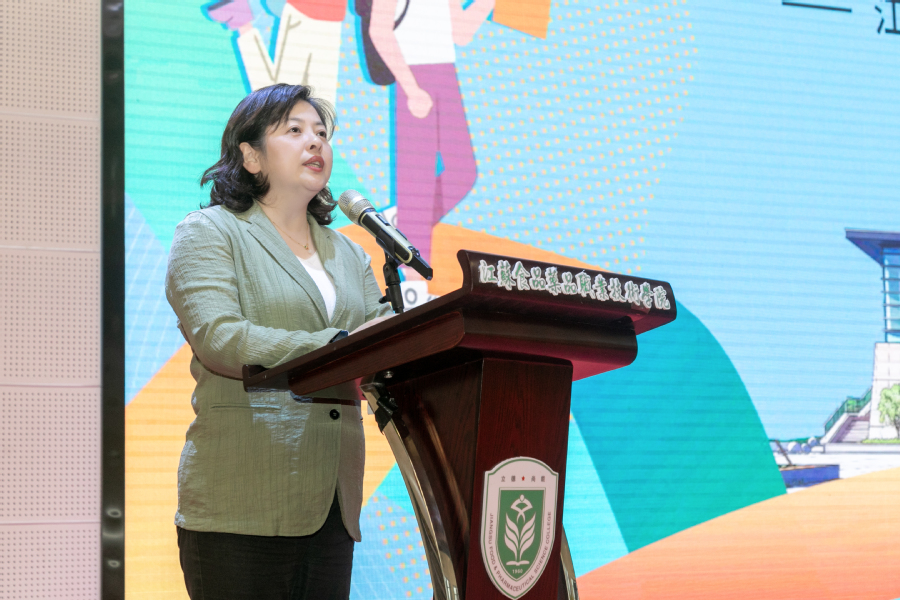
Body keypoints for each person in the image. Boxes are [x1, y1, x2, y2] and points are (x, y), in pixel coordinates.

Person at [165, 83, 391, 599]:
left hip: (332, 506)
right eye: (294, 130)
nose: (315, 142)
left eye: (321, 133)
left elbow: (383, 341)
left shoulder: (349, 253)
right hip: (241, 501)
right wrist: (339, 345)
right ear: (250, 156)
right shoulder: (211, 232)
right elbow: (220, 337)